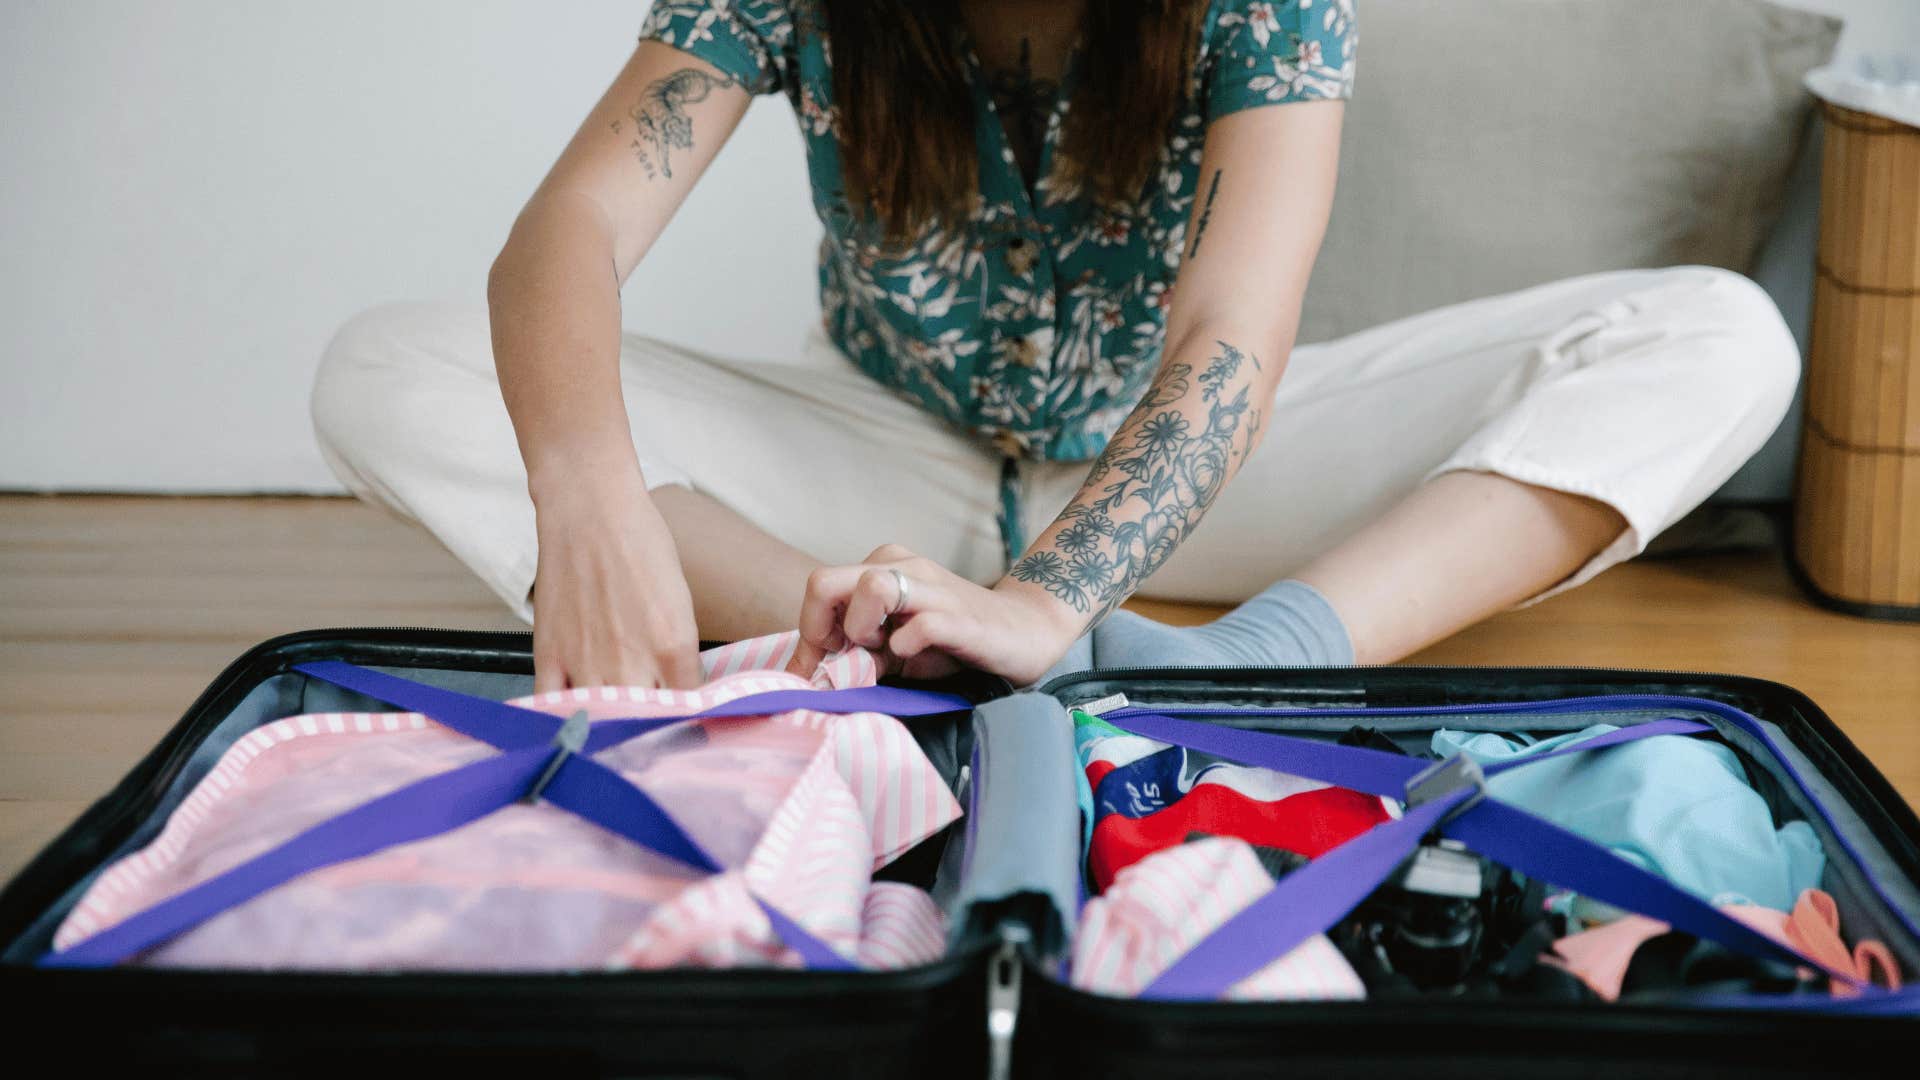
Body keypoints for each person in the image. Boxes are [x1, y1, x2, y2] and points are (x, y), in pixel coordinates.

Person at [312, 0, 1799, 692]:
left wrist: (1048, 600)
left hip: (1202, 479)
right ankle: (881, 640)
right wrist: (586, 491)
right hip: (873, 461)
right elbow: (567, 232)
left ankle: (1247, 665)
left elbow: (1229, 340)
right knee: (388, 365)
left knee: (1716, 338)